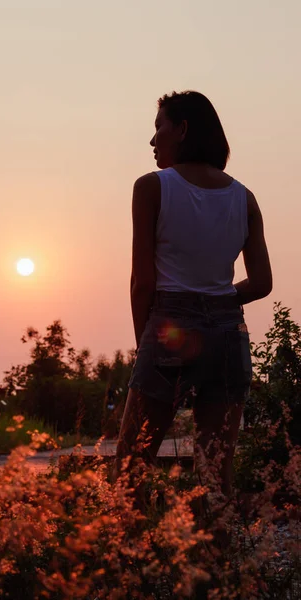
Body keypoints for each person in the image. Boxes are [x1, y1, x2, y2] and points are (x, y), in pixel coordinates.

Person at [113, 91, 272, 501]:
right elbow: (262, 283)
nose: (152, 141)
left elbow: (142, 283)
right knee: (216, 478)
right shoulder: (245, 198)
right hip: (228, 336)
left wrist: (143, 346)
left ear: (182, 130)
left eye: (158, 128)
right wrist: (215, 301)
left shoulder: (151, 188)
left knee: (129, 470)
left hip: (169, 327)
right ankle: (217, 564)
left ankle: (125, 563)